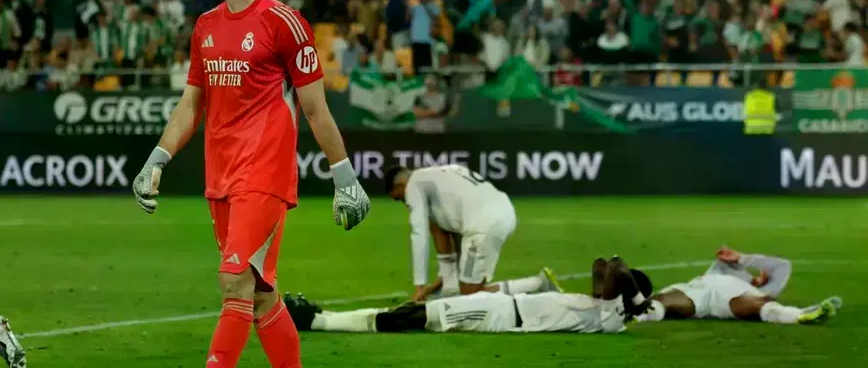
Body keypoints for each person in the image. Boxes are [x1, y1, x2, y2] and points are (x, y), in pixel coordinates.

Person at [131, 0, 371, 368]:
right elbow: (191, 104)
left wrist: (346, 178)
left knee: (234, 281)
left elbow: (316, 109)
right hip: (220, 176)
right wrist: (157, 158)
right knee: (260, 295)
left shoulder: (284, 23)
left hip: (264, 174)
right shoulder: (205, 26)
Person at [284, 256, 653, 335]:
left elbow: (617, 265)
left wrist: (637, 301)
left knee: (415, 317)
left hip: (502, 317)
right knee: (416, 312)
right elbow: (603, 263)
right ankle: (319, 317)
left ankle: (317, 321)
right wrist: (635, 299)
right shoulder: (605, 306)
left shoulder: (610, 317)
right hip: (502, 308)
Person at [384, 164, 553, 302]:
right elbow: (444, 229)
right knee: (435, 223)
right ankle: (452, 287)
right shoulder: (436, 177)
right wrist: (445, 281)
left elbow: (419, 235)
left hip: (484, 224)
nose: (405, 204)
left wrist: (419, 286)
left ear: (400, 185)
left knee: (469, 296)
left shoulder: (414, 184)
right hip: (501, 211)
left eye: (400, 198)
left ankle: (537, 284)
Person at [635, 246, 841, 325]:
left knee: (761, 305)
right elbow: (722, 261)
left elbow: (782, 266)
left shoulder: (760, 292)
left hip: (733, 295)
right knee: (662, 301)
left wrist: (745, 259)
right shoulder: (727, 269)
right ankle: (631, 316)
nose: (762, 275)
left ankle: (802, 315)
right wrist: (739, 262)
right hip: (698, 287)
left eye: (765, 274)